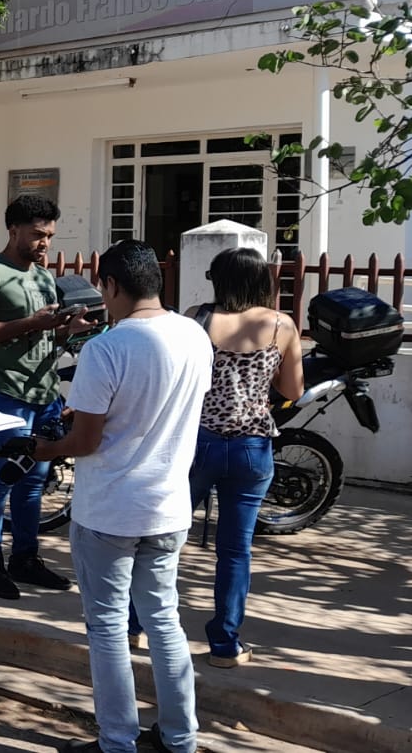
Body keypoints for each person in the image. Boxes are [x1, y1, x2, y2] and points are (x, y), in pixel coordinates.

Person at [22, 240, 211, 753]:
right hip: (169, 508)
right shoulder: (194, 335)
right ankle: (180, 738)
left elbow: (85, 442)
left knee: (107, 627)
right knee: (165, 622)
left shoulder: (107, 347)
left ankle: (117, 742)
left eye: (102, 288)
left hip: (109, 510)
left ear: (110, 285)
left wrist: (43, 449)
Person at [187, 247, 305, 668]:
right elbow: (292, 391)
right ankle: (224, 644)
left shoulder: (197, 318)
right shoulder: (281, 325)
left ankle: (134, 625)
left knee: (162, 537)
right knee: (235, 550)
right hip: (252, 448)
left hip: (198, 443)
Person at [0, 194, 80, 599]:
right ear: (13, 230)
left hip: (45, 394)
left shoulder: (45, 278)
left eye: (49, 235)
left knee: (33, 483)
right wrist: (31, 323)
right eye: (37, 234)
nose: (44, 242)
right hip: (6, 395)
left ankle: (25, 558)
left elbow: (44, 335)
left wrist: (66, 328)